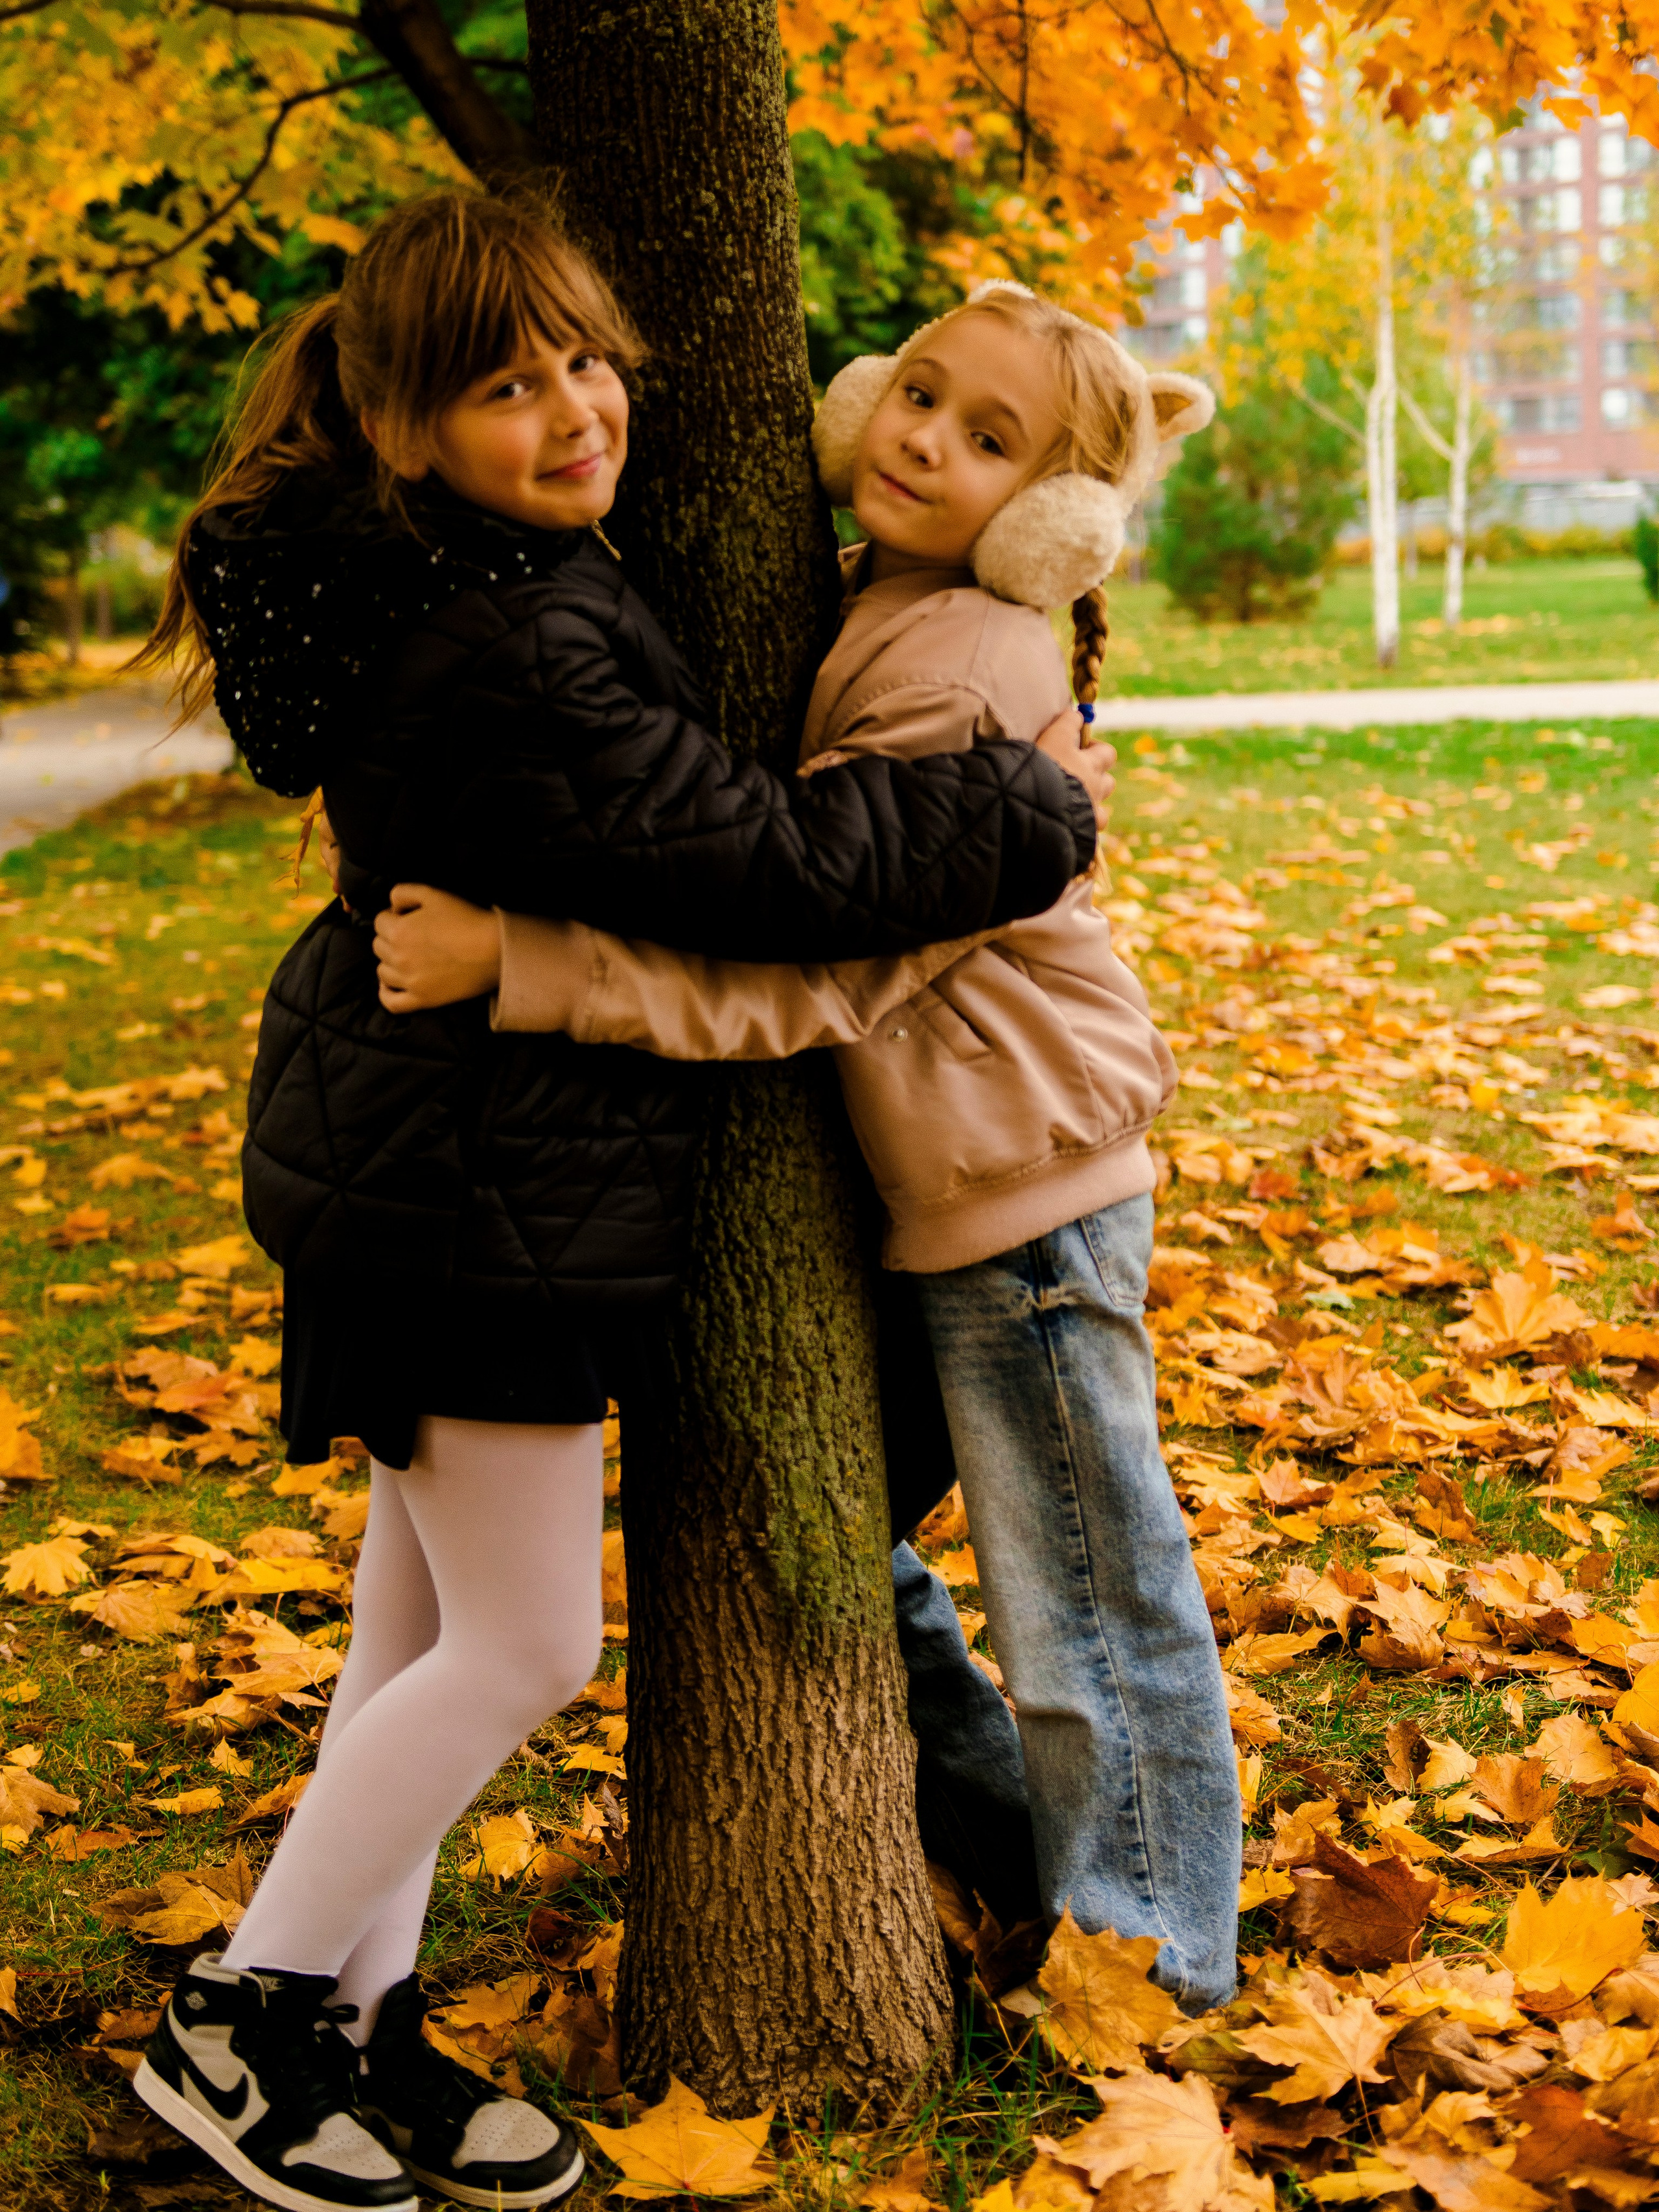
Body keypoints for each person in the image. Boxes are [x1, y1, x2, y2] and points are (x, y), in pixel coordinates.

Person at [126, 198, 1106, 2212]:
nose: (574, 411)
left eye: (584, 359)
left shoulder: (490, 571)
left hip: (442, 1162)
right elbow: (753, 859)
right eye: (507, 388)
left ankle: (353, 2024)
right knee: (523, 1646)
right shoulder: (520, 632)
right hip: (472, 1185)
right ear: (407, 433)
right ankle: (241, 2020)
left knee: (413, 1636)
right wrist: (1017, 811)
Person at [371, 281, 1242, 2018]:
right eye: (919, 397)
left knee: (1091, 1605)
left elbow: (817, 970)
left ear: (1056, 521)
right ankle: (1023, 1855)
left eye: (991, 441)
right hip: (941, 1203)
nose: (925, 441)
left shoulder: (972, 665)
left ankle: (1158, 1981)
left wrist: (532, 969)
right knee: (842, 1533)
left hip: (1028, 1217)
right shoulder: (875, 603)